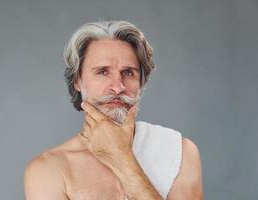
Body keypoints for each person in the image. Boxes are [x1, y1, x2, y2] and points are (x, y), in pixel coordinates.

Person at [24, 20, 204, 200]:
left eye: (128, 73)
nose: (118, 87)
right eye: (103, 72)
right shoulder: (48, 170)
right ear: (77, 81)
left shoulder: (178, 151)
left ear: (141, 82)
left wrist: (122, 158)